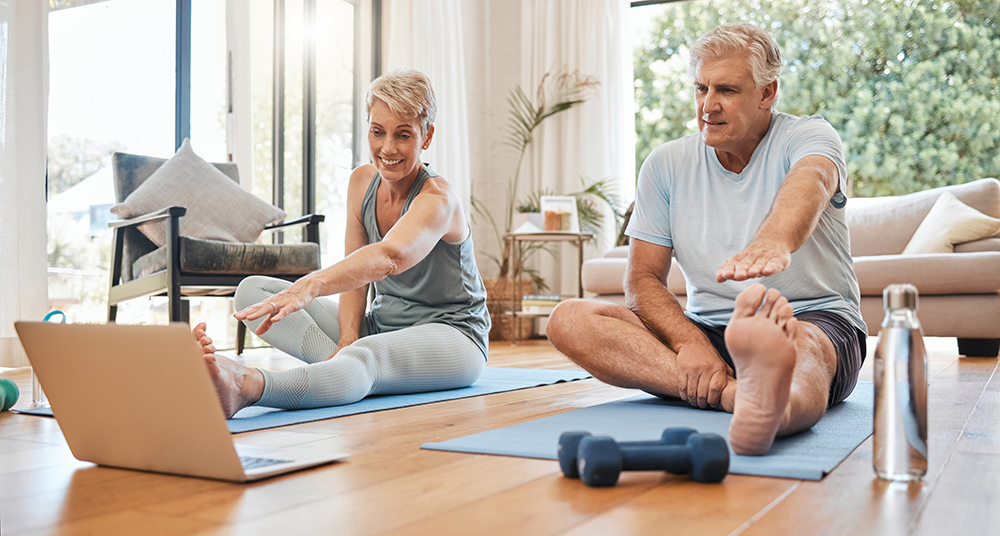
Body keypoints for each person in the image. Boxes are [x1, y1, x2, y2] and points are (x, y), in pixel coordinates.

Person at [546, 23, 866, 456]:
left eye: (727, 90)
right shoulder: (665, 164)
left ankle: (776, 408)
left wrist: (773, 241)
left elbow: (811, 180)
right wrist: (691, 344)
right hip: (709, 330)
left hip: (812, 319)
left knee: (803, 346)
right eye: (701, 88)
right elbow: (642, 280)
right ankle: (740, 396)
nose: (708, 106)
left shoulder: (809, 136)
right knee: (569, 319)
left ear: (767, 93)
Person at [193, 69, 490, 418]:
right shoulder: (362, 182)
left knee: (366, 357)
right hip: (381, 326)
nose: (387, 148)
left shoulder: (437, 199)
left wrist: (310, 285)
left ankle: (247, 384)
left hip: (453, 336)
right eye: (377, 132)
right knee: (254, 293)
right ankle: (342, 370)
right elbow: (357, 274)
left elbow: (388, 257)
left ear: (427, 137)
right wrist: (348, 336)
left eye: (403, 135)